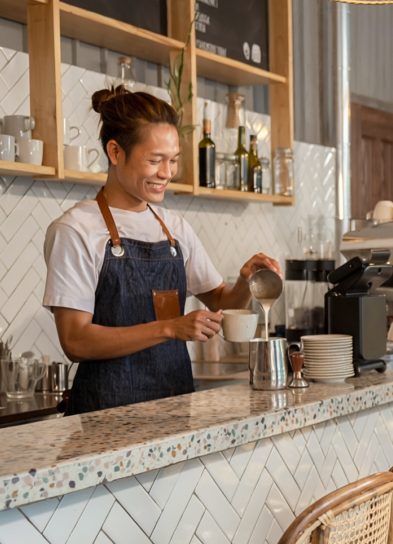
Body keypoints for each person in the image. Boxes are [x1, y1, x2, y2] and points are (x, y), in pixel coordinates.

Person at [44, 87, 280, 414]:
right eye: (155, 160)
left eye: (173, 161)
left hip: (175, 408)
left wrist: (245, 281)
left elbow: (223, 302)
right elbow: (75, 341)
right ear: (115, 151)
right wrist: (171, 328)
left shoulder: (174, 228)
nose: (166, 173)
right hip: (105, 417)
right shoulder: (76, 230)